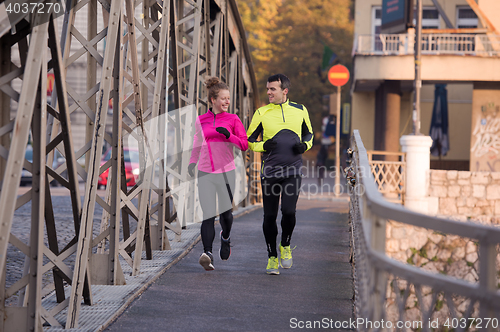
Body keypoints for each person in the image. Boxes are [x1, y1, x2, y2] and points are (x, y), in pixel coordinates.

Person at [247, 74, 313, 275]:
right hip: (270, 172)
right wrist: (262, 145)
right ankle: (272, 257)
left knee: (289, 212)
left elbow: (309, 135)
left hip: (293, 171)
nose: (268, 92)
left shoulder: (300, 110)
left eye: (272, 89)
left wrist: (304, 146)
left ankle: (285, 244)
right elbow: (249, 140)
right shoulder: (261, 113)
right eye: (267, 89)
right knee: (269, 216)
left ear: (285, 91)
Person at [188, 77, 248, 271]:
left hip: (226, 172)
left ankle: (226, 237)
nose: (227, 102)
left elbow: (244, 144)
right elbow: (197, 143)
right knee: (207, 214)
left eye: (228, 98)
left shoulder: (233, 119)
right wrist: (191, 163)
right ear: (212, 100)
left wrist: (229, 135)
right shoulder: (201, 120)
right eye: (223, 98)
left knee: (226, 215)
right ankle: (207, 253)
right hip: (205, 172)